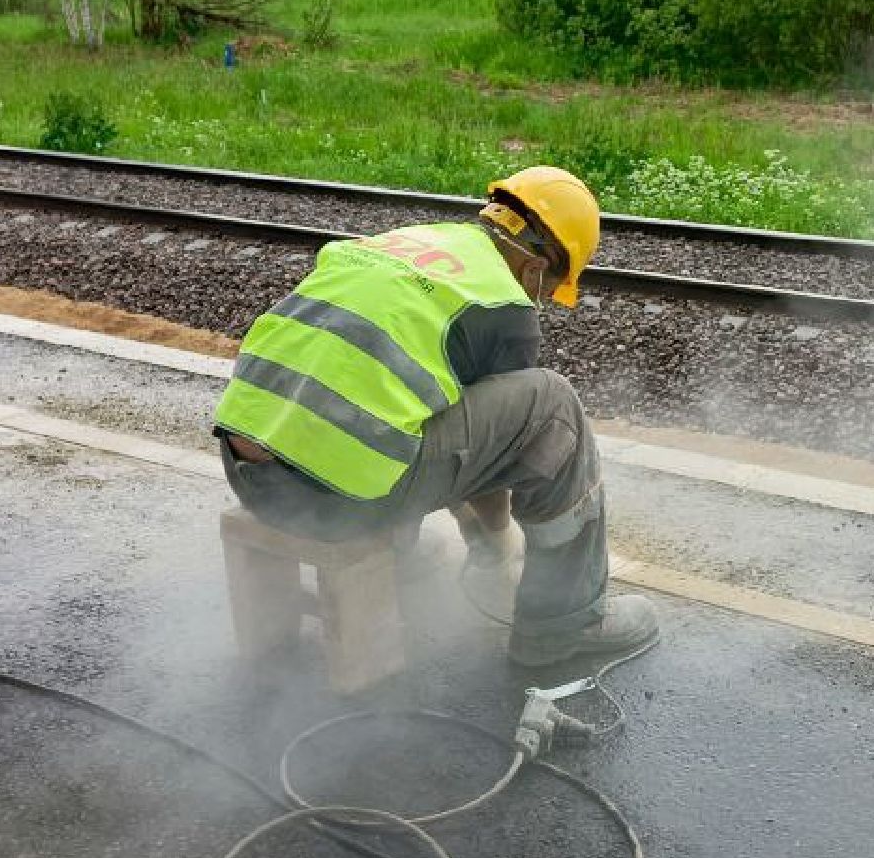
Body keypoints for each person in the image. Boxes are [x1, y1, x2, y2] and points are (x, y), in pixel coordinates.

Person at [213, 166, 658, 667]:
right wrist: (494, 540)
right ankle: (564, 624)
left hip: (247, 472)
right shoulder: (504, 306)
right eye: (550, 289)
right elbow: (499, 448)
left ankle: (399, 554)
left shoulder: (406, 242)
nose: (540, 301)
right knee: (553, 406)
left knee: (394, 397)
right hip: (338, 503)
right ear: (536, 270)